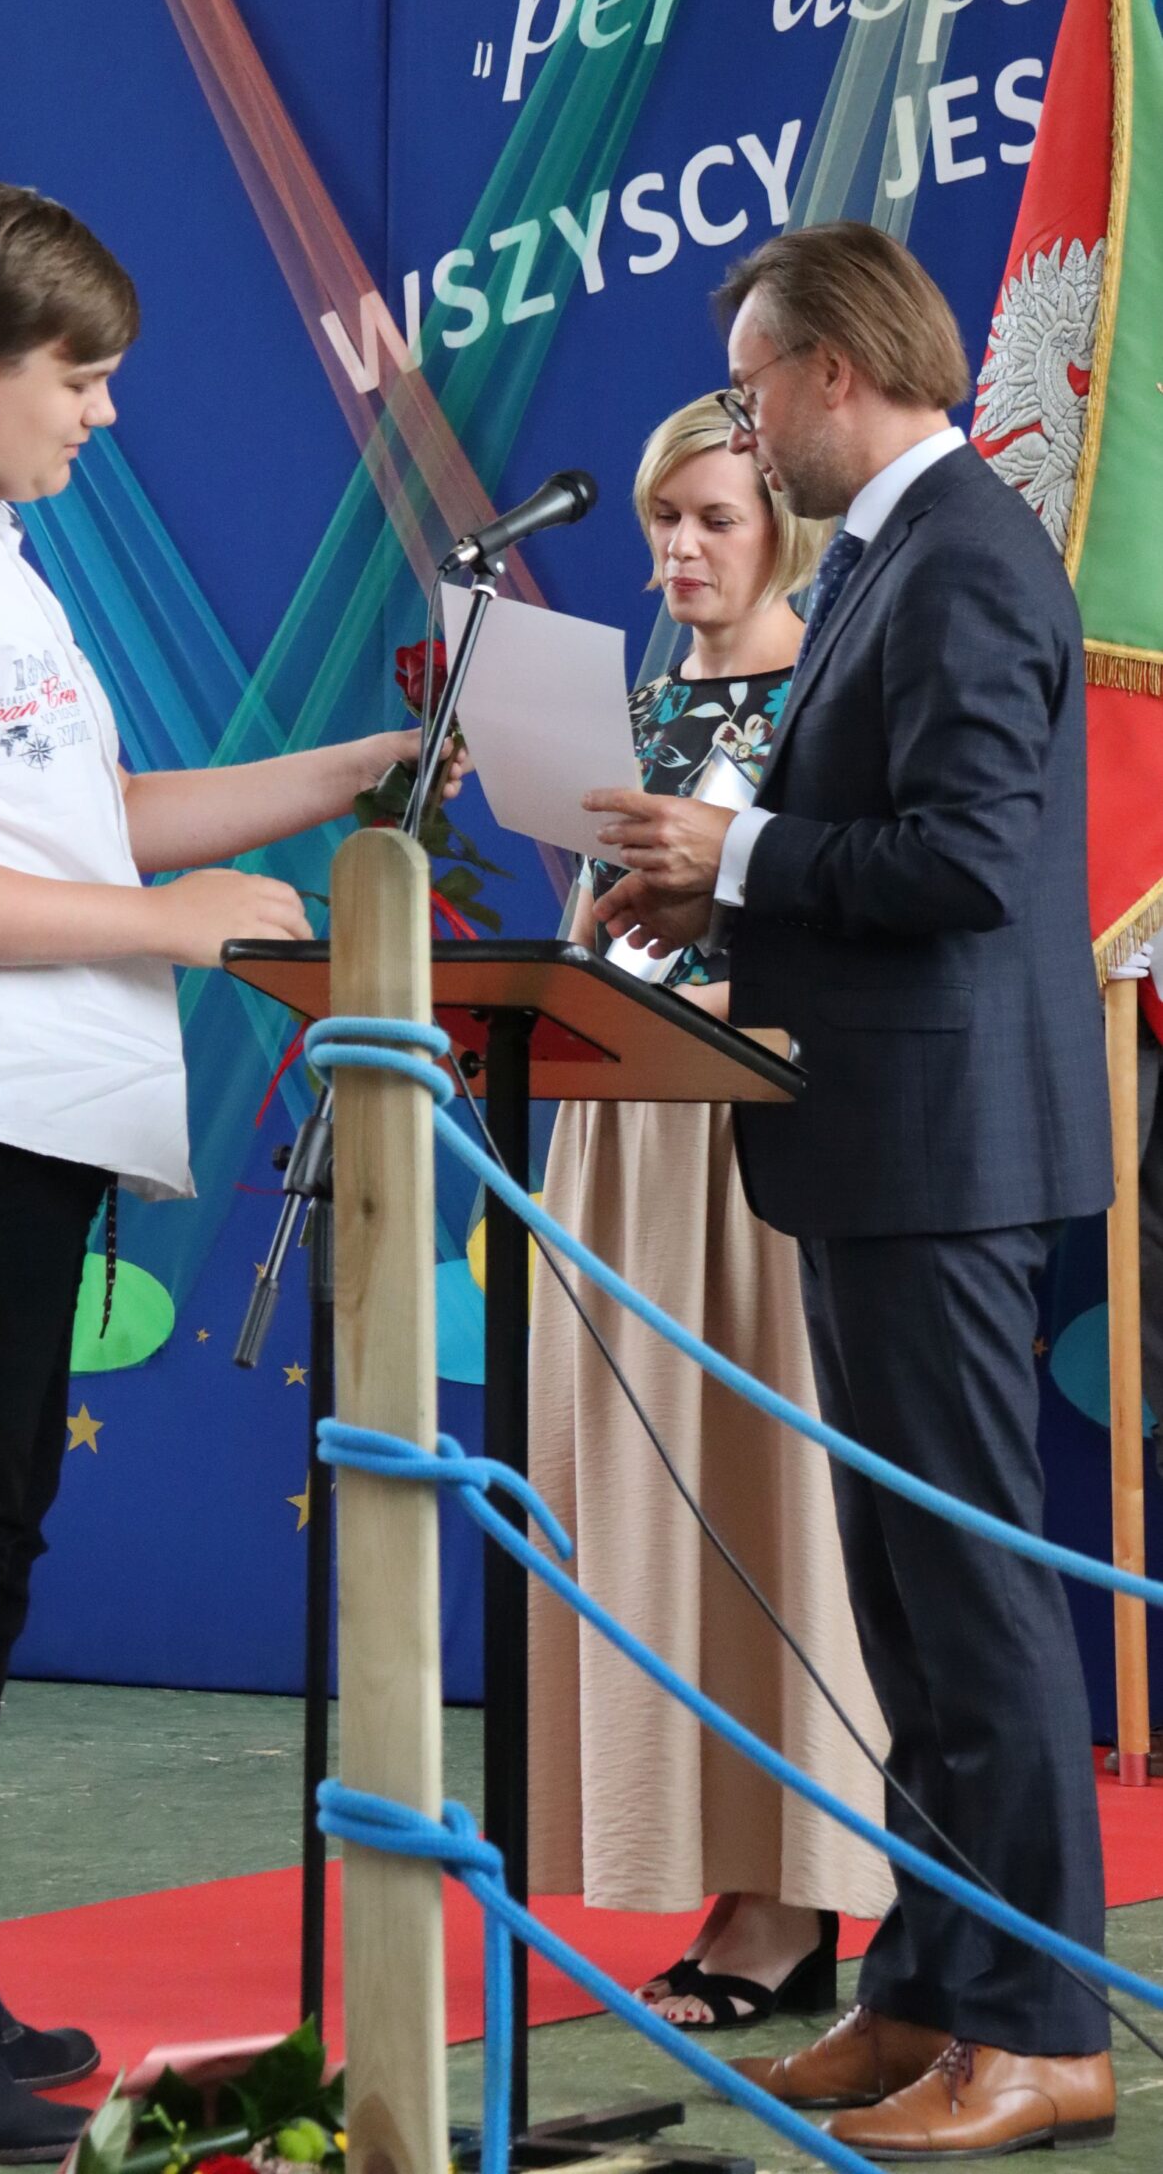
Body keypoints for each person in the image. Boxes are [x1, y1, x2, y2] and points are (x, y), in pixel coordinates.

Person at [0, 180, 460, 2165]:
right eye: (81, 377)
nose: (104, 414)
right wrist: (170, 930)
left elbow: (84, 817)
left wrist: (349, 773)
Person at [586, 220, 1116, 2159]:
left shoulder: (959, 555)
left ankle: (1042, 2030)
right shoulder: (900, 549)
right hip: (884, 1137)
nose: (743, 426)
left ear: (830, 369)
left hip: (943, 1147)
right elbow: (877, 838)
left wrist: (734, 855)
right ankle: (930, 1991)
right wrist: (718, 889)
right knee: (904, 1596)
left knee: (968, 1594)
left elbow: (965, 860)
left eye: (750, 388)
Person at [529, 395, 891, 2031]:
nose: (680, 548)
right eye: (662, 518)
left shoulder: (829, 690)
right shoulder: (639, 701)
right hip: (616, 1132)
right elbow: (602, 928)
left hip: (752, 1135)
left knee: (766, 1505)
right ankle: (699, 1860)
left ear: (784, 529)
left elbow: (854, 928)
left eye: (714, 518)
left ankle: (792, 1897)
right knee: (643, 1516)